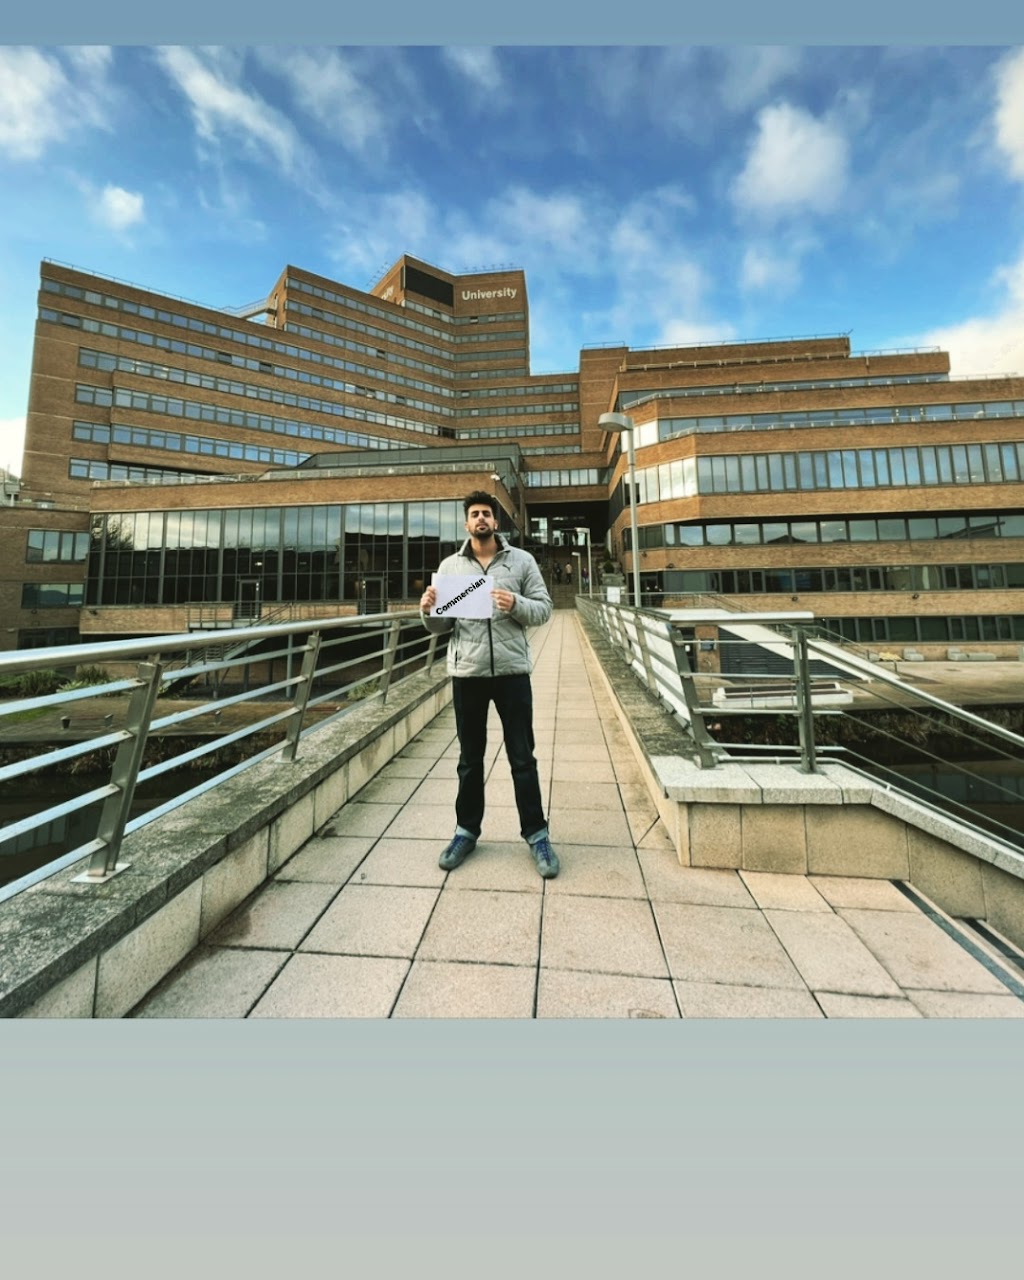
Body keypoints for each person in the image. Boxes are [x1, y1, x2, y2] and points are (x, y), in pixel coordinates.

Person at [419, 491, 559, 878]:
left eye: (486, 514)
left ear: (496, 522)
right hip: (468, 675)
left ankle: (537, 834)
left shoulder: (522, 561)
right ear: (466, 524)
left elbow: (544, 609)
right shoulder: (450, 567)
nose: (481, 518)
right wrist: (427, 610)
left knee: (522, 758)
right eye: (474, 514)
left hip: (512, 673)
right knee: (469, 760)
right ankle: (465, 832)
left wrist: (515, 603)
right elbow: (440, 626)